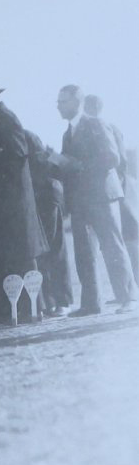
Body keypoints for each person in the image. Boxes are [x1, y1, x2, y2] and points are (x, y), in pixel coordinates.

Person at [55, 84, 137, 315]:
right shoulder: (67, 133)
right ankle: (91, 303)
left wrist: (78, 165)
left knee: (112, 246)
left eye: (62, 102)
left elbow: (111, 157)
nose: (58, 106)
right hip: (80, 201)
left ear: (76, 102)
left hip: (102, 197)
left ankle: (129, 297)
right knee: (84, 252)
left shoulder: (96, 124)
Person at [0, 77, 48, 322]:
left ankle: (33, 308)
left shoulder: (5, 118)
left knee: (22, 253)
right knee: (9, 254)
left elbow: (17, 154)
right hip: (2, 199)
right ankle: (13, 309)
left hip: (13, 198)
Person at [83, 94, 138, 285]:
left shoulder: (105, 127)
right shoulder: (101, 127)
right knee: (118, 240)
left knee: (126, 238)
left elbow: (119, 161)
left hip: (115, 191)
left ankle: (132, 287)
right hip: (114, 190)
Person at [25, 130, 73, 316]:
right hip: (42, 198)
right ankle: (52, 301)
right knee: (46, 251)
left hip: (47, 198)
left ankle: (62, 301)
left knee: (54, 249)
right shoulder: (35, 147)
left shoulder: (39, 153)